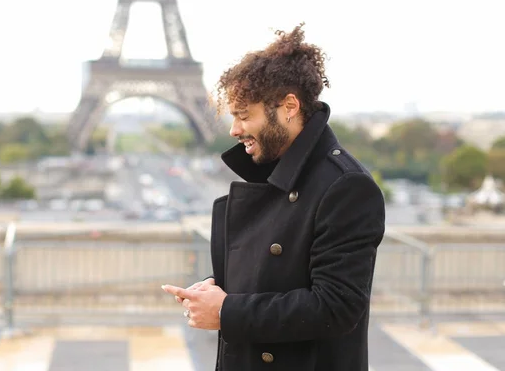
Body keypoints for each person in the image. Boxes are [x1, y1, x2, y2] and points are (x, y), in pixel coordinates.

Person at [162, 23, 386, 371]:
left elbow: (337, 306)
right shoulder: (276, 173)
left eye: (243, 116)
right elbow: (276, 277)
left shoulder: (346, 187)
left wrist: (226, 310)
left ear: (289, 107)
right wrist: (218, 291)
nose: (234, 131)